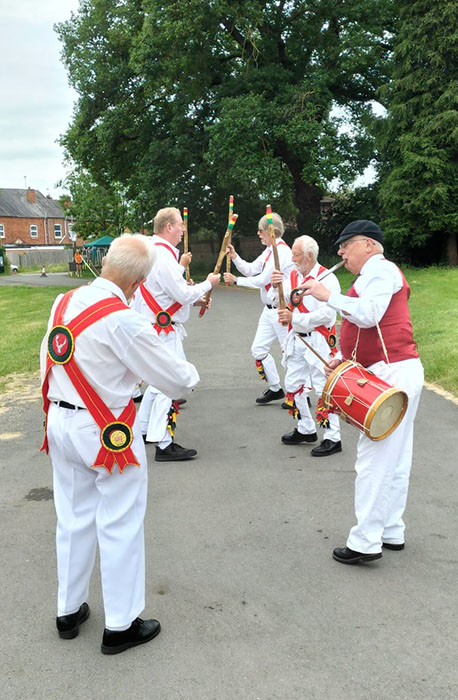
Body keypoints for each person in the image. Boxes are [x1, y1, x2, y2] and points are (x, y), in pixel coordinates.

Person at [40, 233, 200, 653]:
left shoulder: (63, 302)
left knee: (72, 518)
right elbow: (174, 378)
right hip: (104, 432)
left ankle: (68, 610)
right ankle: (121, 624)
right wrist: (191, 376)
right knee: (120, 521)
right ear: (137, 284)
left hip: (60, 422)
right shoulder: (123, 318)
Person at [301, 220, 424, 564]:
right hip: (393, 370)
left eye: (345, 244)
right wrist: (341, 359)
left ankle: (366, 541)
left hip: (392, 372)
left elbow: (370, 315)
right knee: (396, 457)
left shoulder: (382, 271)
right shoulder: (371, 276)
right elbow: (365, 327)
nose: (340, 252)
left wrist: (329, 295)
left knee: (373, 459)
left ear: (368, 244)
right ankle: (390, 530)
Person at [131, 207, 220, 461]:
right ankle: (163, 442)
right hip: (162, 332)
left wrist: (196, 301)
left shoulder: (152, 253)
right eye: (180, 225)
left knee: (158, 382)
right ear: (168, 227)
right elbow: (180, 293)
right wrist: (208, 284)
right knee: (169, 384)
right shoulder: (163, 256)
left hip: (155, 327)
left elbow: (165, 294)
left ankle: (144, 428)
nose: (183, 229)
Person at [271, 235, 342, 456]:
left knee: (323, 388)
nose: (292, 258)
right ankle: (306, 429)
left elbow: (328, 314)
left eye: (296, 254)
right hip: (297, 339)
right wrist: (275, 288)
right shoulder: (291, 275)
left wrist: (296, 319)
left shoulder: (326, 278)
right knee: (292, 384)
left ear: (309, 255)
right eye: (292, 253)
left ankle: (333, 437)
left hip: (319, 340)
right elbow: (277, 302)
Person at [223, 212, 294, 405]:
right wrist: (235, 256)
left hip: (281, 309)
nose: (258, 234)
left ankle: (296, 395)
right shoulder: (270, 250)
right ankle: (275, 388)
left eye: (261, 231)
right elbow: (251, 269)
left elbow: (262, 280)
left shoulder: (282, 252)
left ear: (270, 232)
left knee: (289, 353)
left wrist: (236, 280)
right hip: (268, 310)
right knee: (258, 349)